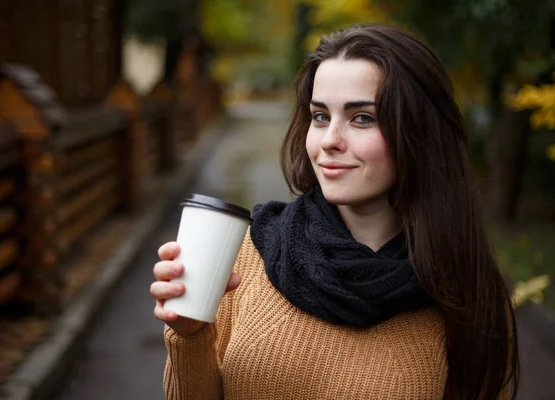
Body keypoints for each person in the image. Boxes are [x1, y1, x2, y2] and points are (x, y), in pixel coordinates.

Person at [150, 24, 519, 399]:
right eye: (321, 116)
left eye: (362, 118)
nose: (329, 141)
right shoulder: (248, 254)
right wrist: (190, 336)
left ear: (419, 132)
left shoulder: (469, 294)